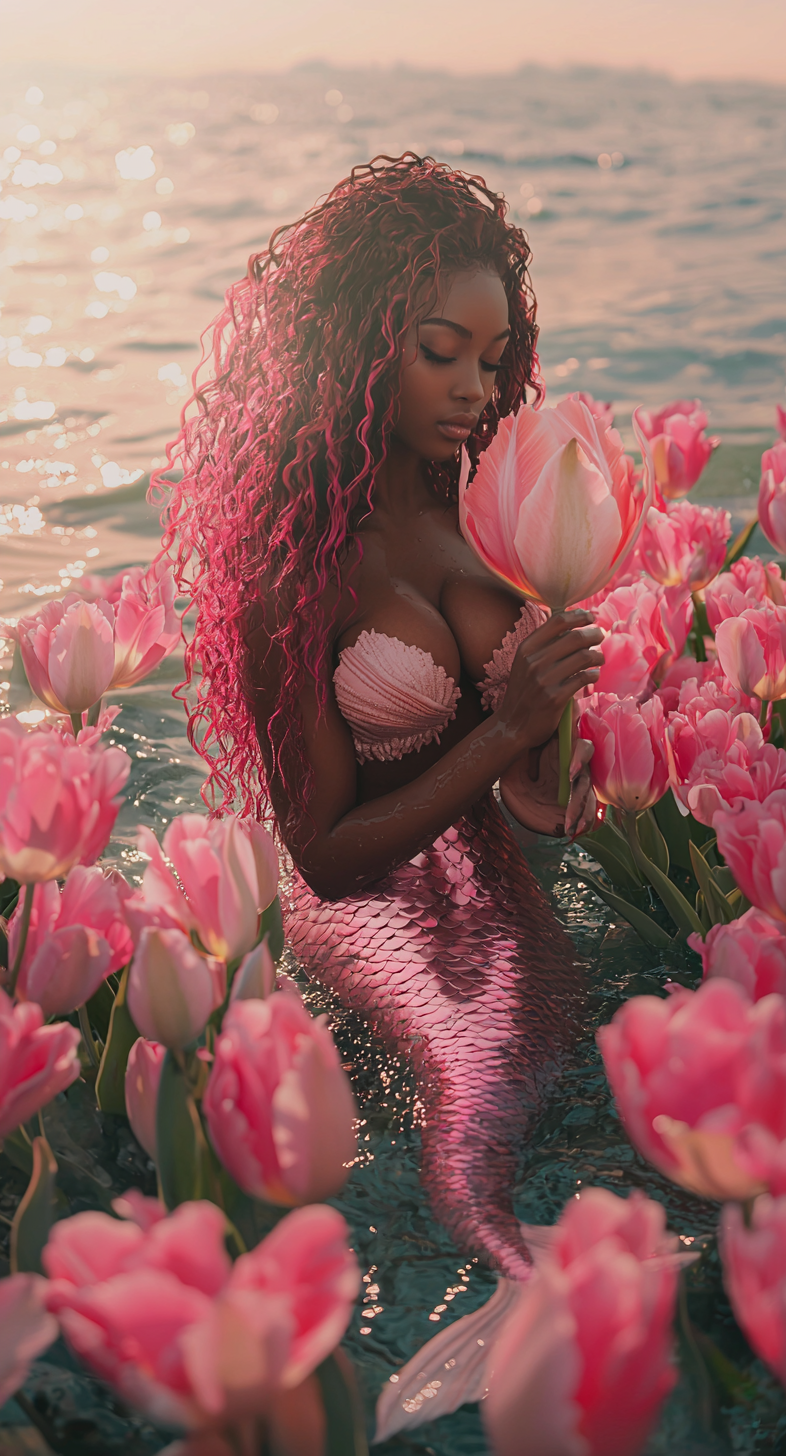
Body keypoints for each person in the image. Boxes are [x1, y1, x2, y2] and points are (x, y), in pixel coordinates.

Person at [160, 152, 604, 1430]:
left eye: (494, 356)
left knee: (529, 1070)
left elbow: (525, 801)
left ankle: (547, 1282)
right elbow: (324, 856)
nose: (474, 387)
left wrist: (552, 748)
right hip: (373, 914)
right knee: (470, 1118)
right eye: (439, 351)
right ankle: (520, 1287)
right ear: (364, 349)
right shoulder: (290, 574)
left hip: (501, 902)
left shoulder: (491, 514)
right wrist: (505, 721)